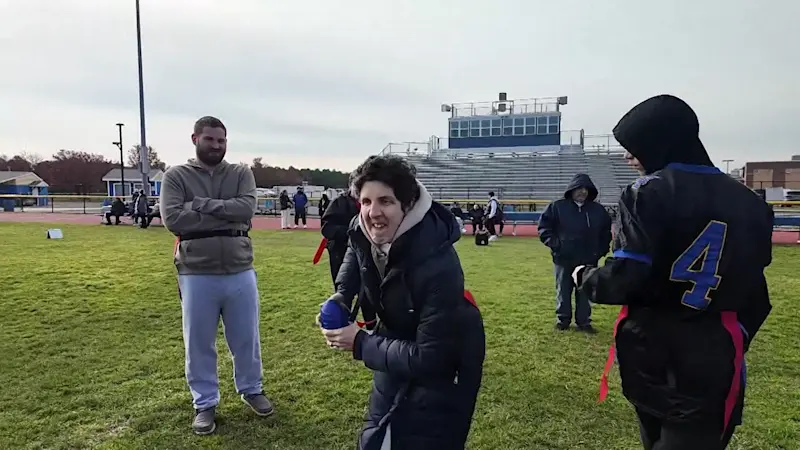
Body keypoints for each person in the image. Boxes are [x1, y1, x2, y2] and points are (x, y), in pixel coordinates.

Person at [572, 95, 774, 450]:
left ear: (659, 141)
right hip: (712, 348)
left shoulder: (649, 192)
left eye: (635, 147)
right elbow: (757, 294)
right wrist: (731, 334)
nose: (628, 156)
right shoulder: (751, 203)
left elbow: (625, 277)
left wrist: (585, 277)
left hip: (649, 345)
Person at [319, 155, 485, 449]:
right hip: (394, 340)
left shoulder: (439, 264)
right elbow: (356, 253)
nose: (373, 212)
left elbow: (431, 358)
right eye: (367, 202)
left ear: (407, 205)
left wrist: (359, 343)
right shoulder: (363, 227)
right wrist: (343, 295)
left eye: (385, 201)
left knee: (421, 437)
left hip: (443, 364)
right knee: (379, 434)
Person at [161, 116, 273, 436]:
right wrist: (223, 212)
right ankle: (205, 403)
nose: (216, 145)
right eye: (210, 139)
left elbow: (245, 209)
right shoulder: (176, 176)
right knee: (199, 342)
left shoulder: (240, 173)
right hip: (196, 271)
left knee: (246, 338)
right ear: (195, 139)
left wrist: (200, 205)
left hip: (240, 267)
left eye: (221, 140)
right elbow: (174, 220)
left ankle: (252, 388)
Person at [537, 173, 612, 332]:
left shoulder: (598, 210)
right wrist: (556, 245)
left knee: (585, 291)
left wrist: (600, 251)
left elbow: (606, 233)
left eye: (586, 189)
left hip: (588, 259)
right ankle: (563, 320)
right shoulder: (557, 207)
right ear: (571, 189)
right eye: (579, 188)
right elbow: (544, 229)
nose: (583, 192)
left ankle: (584, 321)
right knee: (563, 290)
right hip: (563, 259)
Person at [319, 188, 377, 329]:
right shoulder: (339, 203)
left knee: (368, 294)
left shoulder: (372, 203)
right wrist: (352, 233)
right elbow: (327, 228)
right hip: (341, 254)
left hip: (366, 254)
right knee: (345, 292)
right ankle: (342, 326)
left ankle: (372, 327)